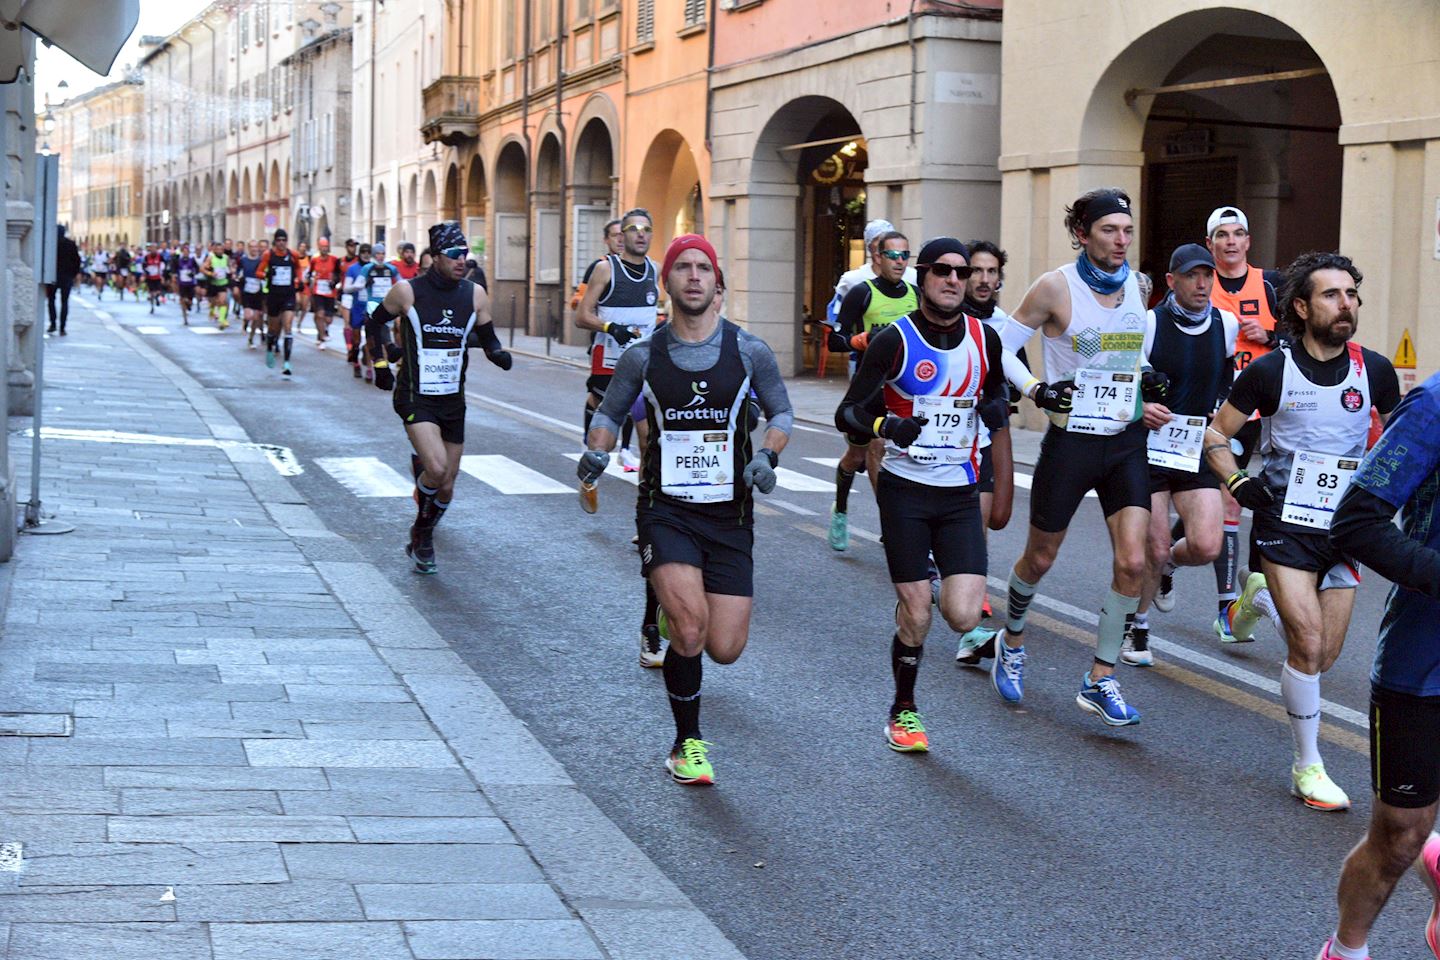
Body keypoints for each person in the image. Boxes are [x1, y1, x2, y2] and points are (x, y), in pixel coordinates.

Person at [578, 233, 793, 786]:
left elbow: (782, 413)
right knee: (692, 630)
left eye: (704, 268)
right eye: (683, 268)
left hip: (730, 515)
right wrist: (596, 451)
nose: (694, 276)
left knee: (725, 647)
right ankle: (686, 742)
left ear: (716, 283)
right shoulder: (641, 355)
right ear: (667, 283)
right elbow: (609, 413)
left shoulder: (749, 351)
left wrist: (767, 456)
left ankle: (681, 618)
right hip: (665, 509)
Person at [1204, 251, 1400, 811]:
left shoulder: (1375, 371)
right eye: (1332, 295)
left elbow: (1403, 442)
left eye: (1351, 295)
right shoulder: (1270, 371)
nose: (1346, 305)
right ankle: (1307, 765)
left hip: (1345, 525)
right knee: (1308, 644)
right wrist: (1239, 483)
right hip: (1285, 519)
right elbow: (1216, 435)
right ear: (1300, 306)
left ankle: (1256, 597)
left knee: (1324, 655)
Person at [994, 187, 1165, 727]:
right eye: (1110, 230)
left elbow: (1131, 349)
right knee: (1040, 558)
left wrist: (1148, 377)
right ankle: (1012, 639)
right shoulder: (1054, 287)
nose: (1121, 240)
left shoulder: (1137, 285)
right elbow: (997, 344)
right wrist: (1036, 390)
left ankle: (1101, 677)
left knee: (1134, 563)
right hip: (1072, 440)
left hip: (1125, 439)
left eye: (1127, 230)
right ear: (1082, 234)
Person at [835, 237, 1010, 752]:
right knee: (917, 612)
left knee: (961, 615)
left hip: (959, 491)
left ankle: (921, 604)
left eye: (962, 272)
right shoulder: (896, 340)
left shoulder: (985, 337)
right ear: (922, 277)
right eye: (943, 271)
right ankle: (903, 709)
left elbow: (996, 391)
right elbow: (848, 412)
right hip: (905, 490)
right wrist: (888, 424)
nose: (954, 280)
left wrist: (997, 410)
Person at [1316, 370, 1440, 960]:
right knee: (1399, 837)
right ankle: (1345, 950)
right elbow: (1357, 522)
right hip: (1426, 660)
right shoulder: (1434, 405)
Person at [364, 222, 513, 573]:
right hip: (416, 396)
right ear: (434, 257)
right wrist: (382, 364)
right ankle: (424, 535)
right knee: (437, 468)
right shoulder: (407, 292)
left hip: (452, 400)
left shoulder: (474, 294)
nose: (462, 260)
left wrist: (497, 353)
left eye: (466, 254)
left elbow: (487, 335)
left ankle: (422, 524)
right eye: (455, 254)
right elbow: (373, 323)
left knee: (446, 486)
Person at [1119, 244, 1238, 667]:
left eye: (1208, 275)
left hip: (1193, 448)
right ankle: (1138, 627)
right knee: (1153, 544)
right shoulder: (1150, 324)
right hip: (1149, 449)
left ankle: (1168, 568)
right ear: (1172, 282)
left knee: (1206, 545)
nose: (1202, 283)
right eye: (1192, 276)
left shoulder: (1225, 323)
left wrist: (1218, 411)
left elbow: (1229, 377)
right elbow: (1125, 377)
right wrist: (1142, 408)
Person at [1183, 205, 1287, 637]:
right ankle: (1228, 605)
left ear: (1248, 241)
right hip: (1221, 411)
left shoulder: (1271, 284)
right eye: (1221, 235)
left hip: (1269, 409)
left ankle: (1174, 557)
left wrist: (1273, 335)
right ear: (1210, 244)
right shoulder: (1199, 285)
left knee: (1246, 498)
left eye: (1238, 234)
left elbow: (1304, 332)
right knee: (1224, 497)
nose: (1230, 241)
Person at [824, 228, 919, 551]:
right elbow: (835, 338)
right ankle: (840, 509)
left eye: (905, 255)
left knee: (882, 448)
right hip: (869, 387)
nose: (900, 262)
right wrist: (860, 340)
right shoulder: (861, 293)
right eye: (893, 255)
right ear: (877, 257)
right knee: (857, 455)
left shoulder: (914, 294)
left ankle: (893, 524)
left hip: (904, 389)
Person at [575, 209, 660, 496]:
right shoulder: (606, 269)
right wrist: (611, 327)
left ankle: (647, 508)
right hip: (608, 364)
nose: (640, 233)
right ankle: (591, 468)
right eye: (634, 228)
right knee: (603, 442)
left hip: (643, 366)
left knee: (648, 437)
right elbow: (581, 316)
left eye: (646, 229)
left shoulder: (655, 270)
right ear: (622, 236)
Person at [257, 229, 300, 375]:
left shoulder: (293, 255)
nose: (281, 243)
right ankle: (269, 349)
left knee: (288, 326)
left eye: (284, 240)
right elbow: (259, 272)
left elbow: (299, 270)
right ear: (275, 241)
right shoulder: (268, 255)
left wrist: (298, 280)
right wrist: (267, 274)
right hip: (274, 295)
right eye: (279, 240)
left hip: (288, 295)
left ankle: (287, 363)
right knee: (273, 328)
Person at [571, 219, 623, 311]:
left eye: (624, 235)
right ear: (606, 240)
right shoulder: (597, 266)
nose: (620, 240)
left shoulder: (641, 266)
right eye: (615, 235)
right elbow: (576, 302)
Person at [343, 243, 375, 380]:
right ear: (359, 253)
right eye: (363, 251)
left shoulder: (375, 269)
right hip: (357, 307)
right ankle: (356, 363)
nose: (366, 254)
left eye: (369, 252)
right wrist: (360, 285)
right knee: (356, 340)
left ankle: (369, 368)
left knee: (371, 339)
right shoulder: (353, 269)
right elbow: (346, 288)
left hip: (371, 307)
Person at [307, 237, 341, 350]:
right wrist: (309, 283)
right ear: (319, 247)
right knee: (320, 314)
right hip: (318, 291)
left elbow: (338, 274)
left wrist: (334, 282)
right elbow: (309, 273)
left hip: (330, 292)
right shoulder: (314, 260)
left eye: (326, 246)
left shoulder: (334, 260)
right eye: (322, 246)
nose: (324, 249)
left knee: (328, 319)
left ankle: (323, 330)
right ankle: (322, 338)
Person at [47, 225, 80, 336]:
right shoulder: (70, 244)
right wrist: (73, 274)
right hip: (66, 276)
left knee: (51, 300)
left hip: (52, 276)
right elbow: (77, 261)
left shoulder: (50, 244)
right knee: (64, 302)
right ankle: (62, 327)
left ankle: (53, 324)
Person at [237, 242, 266, 347]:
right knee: (249, 315)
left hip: (258, 291)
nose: (254, 249)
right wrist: (237, 276)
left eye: (256, 247)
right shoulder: (243, 260)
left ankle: (251, 338)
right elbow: (238, 271)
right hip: (246, 291)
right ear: (248, 248)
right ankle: (245, 323)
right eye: (252, 247)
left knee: (256, 317)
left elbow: (265, 272)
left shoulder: (262, 260)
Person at [200, 241, 232, 329]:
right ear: (214, 250)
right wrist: (210, 273)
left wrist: (231, 270)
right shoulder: (211, 258)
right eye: (217, 249)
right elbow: (202, 269)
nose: (219, 251)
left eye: (221, 249)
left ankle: (222, 320)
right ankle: (212, 310)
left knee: (223, 301)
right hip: (213, 283)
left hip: (223, 282)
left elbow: (230, 267)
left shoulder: (226, 257)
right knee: (214, 301)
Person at [173, 243, 200, 324]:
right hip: (182, 284)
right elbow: (174, 270)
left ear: (189, 253)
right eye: (184, 252)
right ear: (182, 252)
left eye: (187, 252)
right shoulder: (179, 261)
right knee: (182, 300)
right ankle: (185, 319)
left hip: (190, 283)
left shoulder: (192, 260)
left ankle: (189, 304)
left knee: (189, 301)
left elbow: (198, 269)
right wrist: (175, 276)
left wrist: (193, 273)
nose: (185, 253)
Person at [143, 244, 166, 313]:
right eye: (152, 249)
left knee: (158, 291)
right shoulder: (147, 257)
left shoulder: (160, 256)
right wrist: (146, 271)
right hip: (150, 277)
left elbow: (163, 264)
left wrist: (162, 273)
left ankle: (156, 298)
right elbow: (144, 265)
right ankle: (152, 307)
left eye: (155, 249)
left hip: (157, 277)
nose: (153, 250)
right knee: (151, 293)